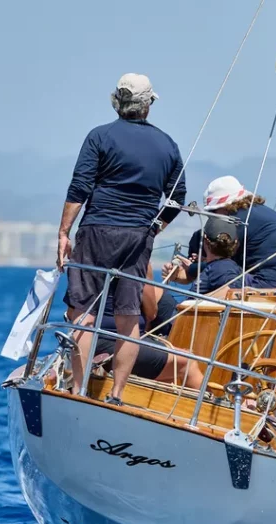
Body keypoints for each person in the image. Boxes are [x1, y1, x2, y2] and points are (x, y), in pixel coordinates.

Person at [58, 73, 186, 404]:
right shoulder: (167, 145)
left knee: (83, 313)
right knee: (129, 319)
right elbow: (177, 197)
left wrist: (63, 233)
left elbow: (80, 188)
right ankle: (116, 393)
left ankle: (79, 390)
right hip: (137, 236)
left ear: (117, 100)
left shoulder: (99, 136)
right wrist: (154, 227)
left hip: (96, 231)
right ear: (148, 105)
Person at [93, 265, 203, 390]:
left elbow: (71, 312)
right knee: (187, 362)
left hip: (88, 342)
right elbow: (151, 312)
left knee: (169, 371)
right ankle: (210, 408)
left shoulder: (92, 257)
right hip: (119, 344)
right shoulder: (140, 260)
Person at [203, 176, 276, 288]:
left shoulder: (237, 221)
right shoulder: (256, 212)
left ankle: (188, 304)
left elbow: (220, 259)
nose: (212, 217)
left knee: (217, 270)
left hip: (269, 283)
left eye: (212, 211)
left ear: (225, 207)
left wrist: (192, 269)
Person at [162, 216, 246, 296]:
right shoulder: (218, 266)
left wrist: (195, 302)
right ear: (235, 243)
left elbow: (234, 291)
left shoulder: (222, 267)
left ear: (205, 239)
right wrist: (177, 276)